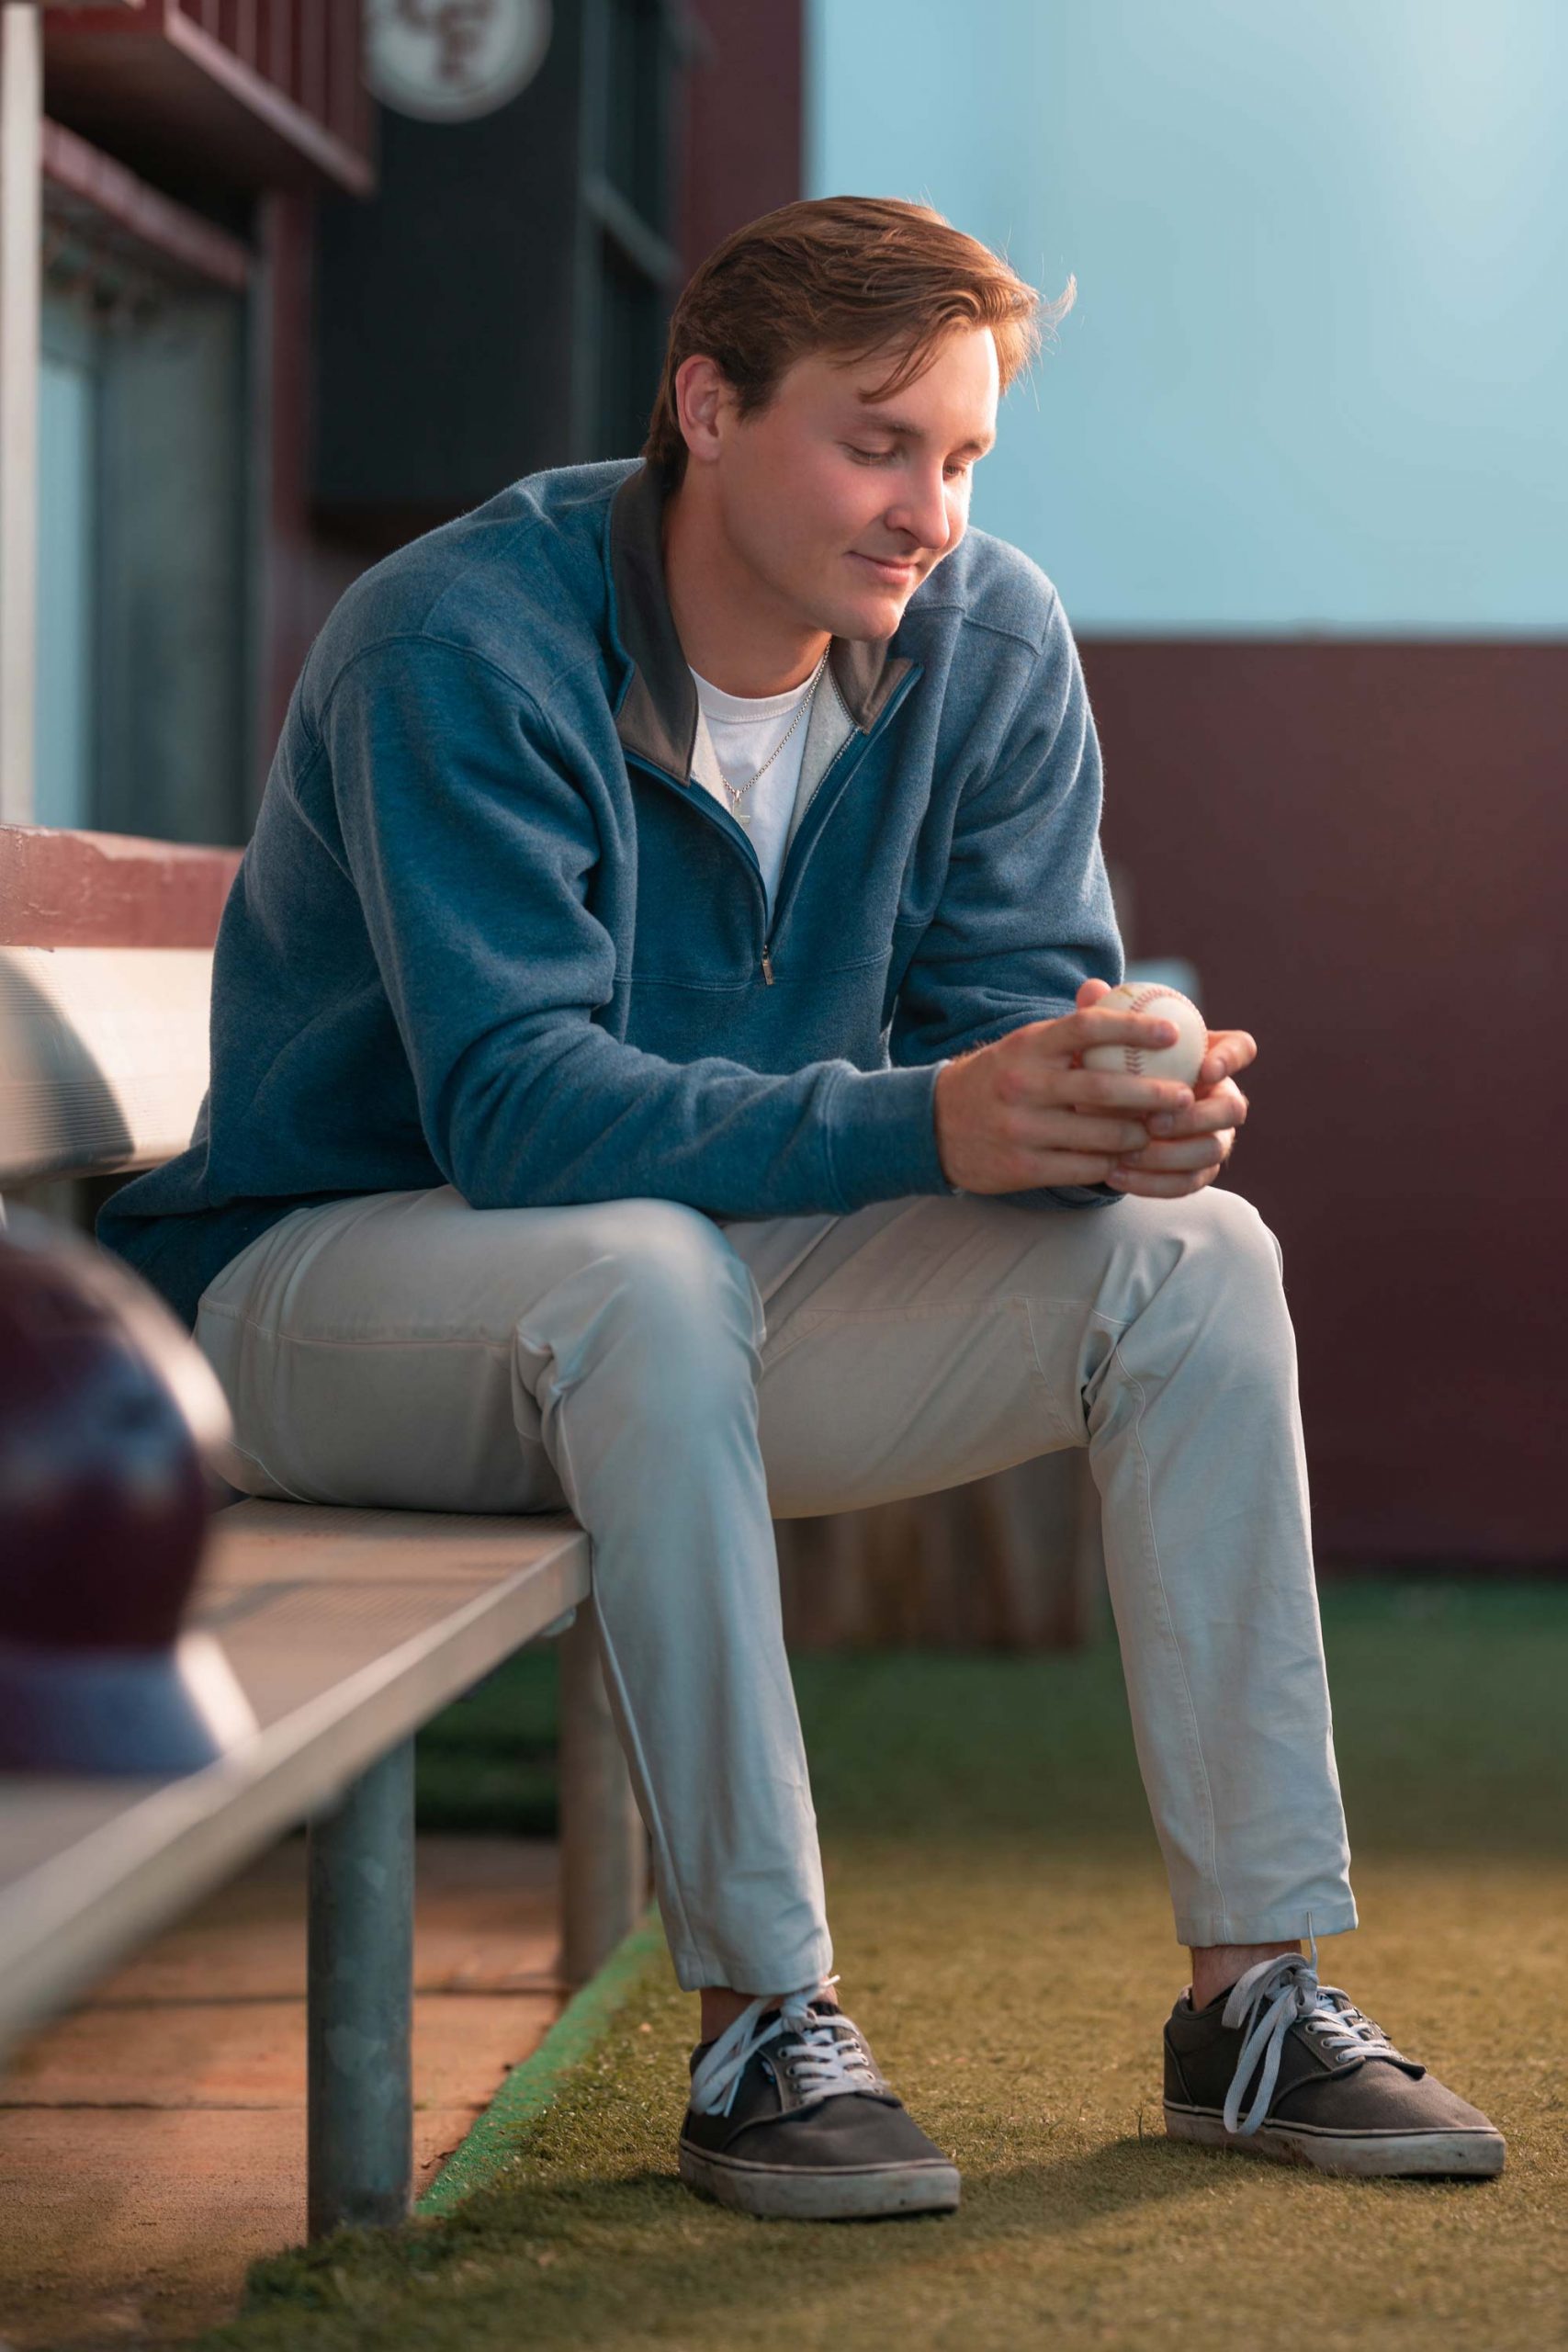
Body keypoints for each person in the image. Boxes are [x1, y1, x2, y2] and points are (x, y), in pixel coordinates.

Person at [97, 196, 1503, 2217]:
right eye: (874, 441)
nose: (925, 508)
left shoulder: (986, 634)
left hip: (665, 1308)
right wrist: (942, 1120)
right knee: (641, 1270)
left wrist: (1119, 1093)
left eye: (959, 456)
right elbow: (512, 1111)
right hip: (313, 1292)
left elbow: (1006, 1013)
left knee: (1198, 1261)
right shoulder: (455, 636)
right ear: (705, 408)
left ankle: (1254, 1994)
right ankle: (764, 2014)